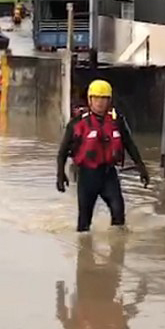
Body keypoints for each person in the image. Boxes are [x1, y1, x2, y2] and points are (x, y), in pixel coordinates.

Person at [56, 80, 149, 233]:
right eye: (96, 98)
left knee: (118, 214)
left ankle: (117, 247)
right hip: (87, 176)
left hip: (108, 174)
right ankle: (84, 248)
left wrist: (141, 168)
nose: (100, 102)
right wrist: (61, 174)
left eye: (104, 98)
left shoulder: (117, 121)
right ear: (89, 100)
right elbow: (62, 152)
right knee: (84, 225)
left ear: (109, 101)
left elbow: (129, 144)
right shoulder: (77, 123)